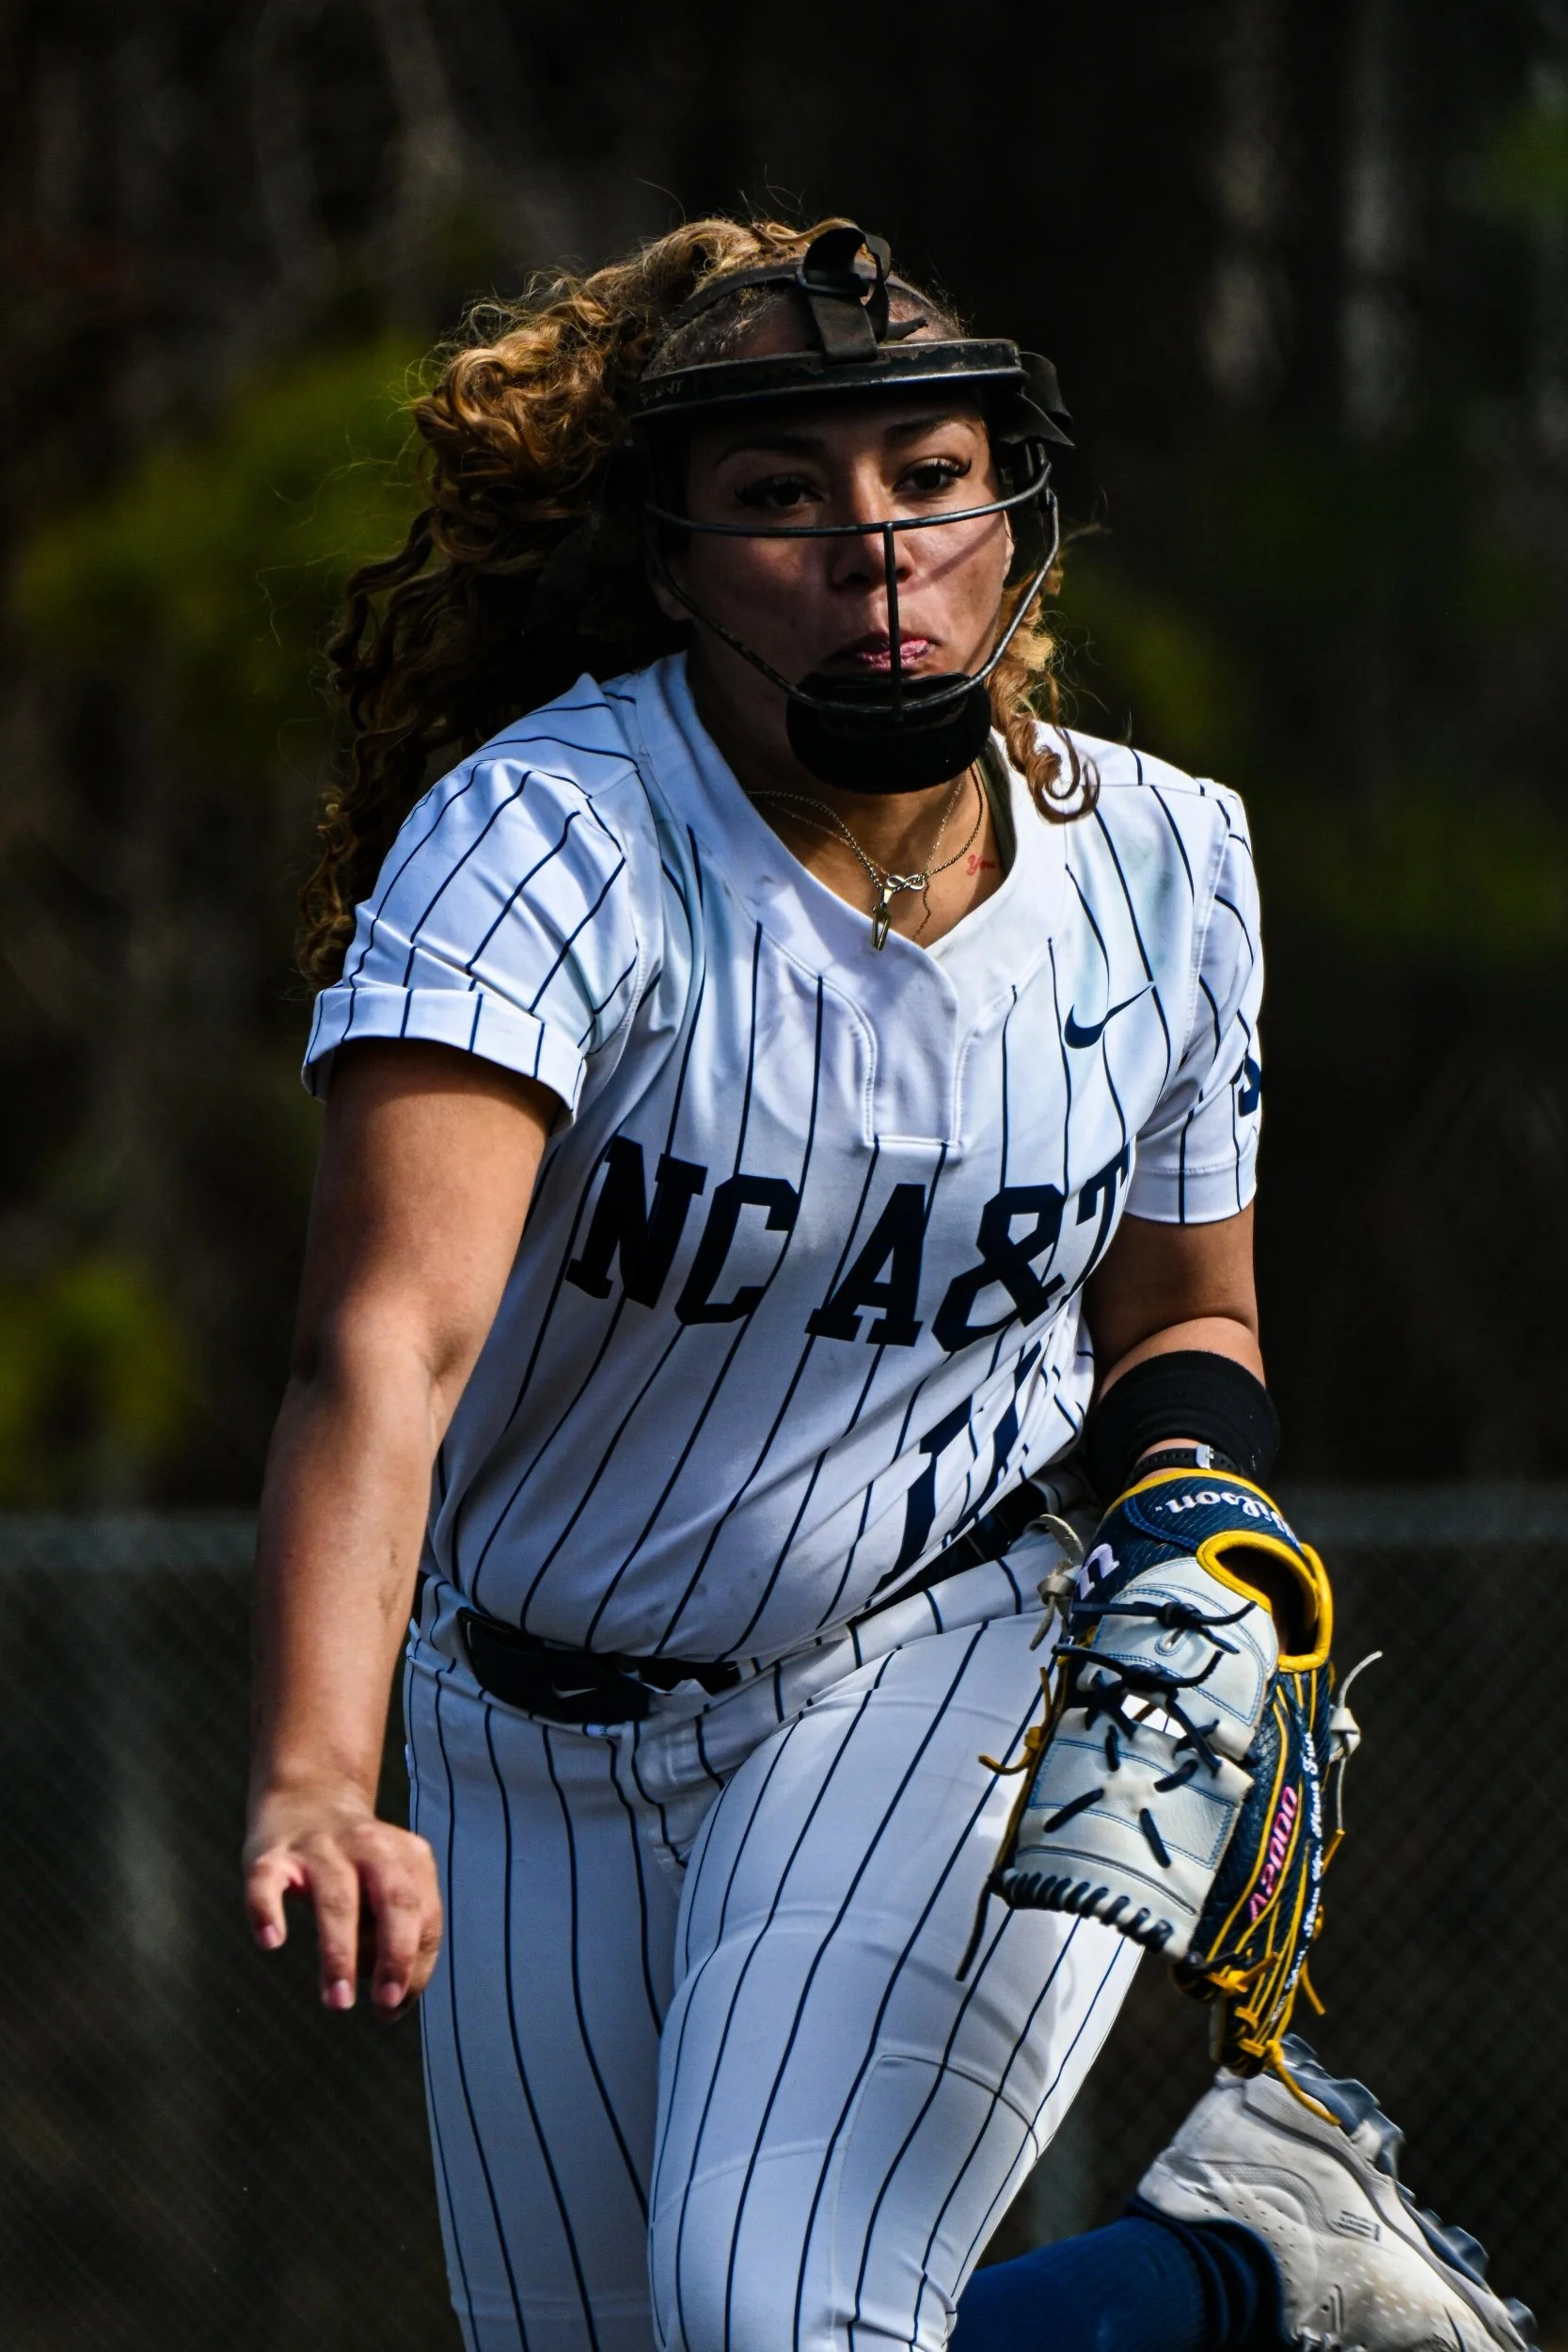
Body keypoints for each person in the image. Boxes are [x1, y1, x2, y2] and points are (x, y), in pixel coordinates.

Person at [243, 216, 1528, 2352]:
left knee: (774, 2320)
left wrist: (1195, 1499)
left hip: (931, 1655)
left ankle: (1231, 2272)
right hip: (518, 1729)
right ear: (671, 564)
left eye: (928, 476)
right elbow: (385, 1340)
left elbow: (1180, 1316)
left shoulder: (1163, 861)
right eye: (780, 493)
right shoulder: (547, 837)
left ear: (1009, 516)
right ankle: (1252, 2264)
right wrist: (316, 1767)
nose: (873, 547)